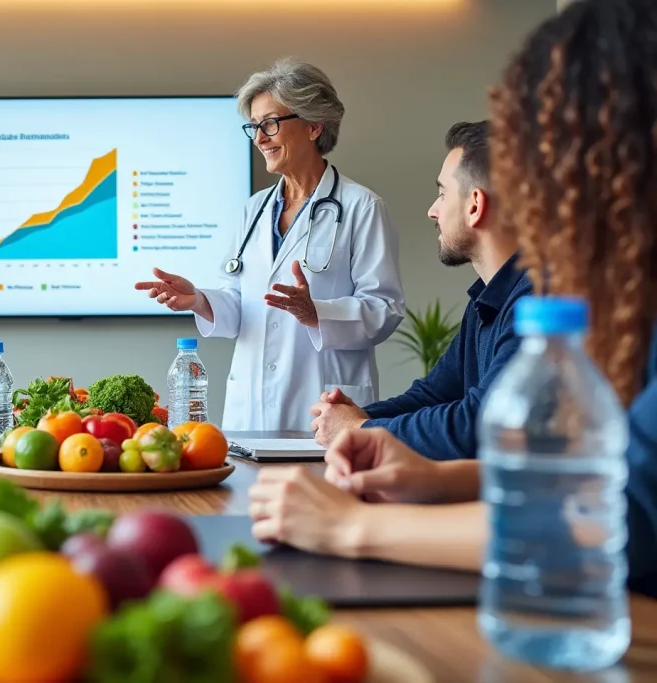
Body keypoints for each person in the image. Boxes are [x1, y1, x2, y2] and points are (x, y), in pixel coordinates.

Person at [248, 0, 657, 598]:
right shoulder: (510, 298)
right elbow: (586, 475)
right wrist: (428, 478)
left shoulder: (544, 298)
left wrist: (356, 527)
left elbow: (615, 514)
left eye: (561, 151)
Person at [135, 58, 405, 431]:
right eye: (254, 127)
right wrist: (199, 299)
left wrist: (318, 313)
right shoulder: (255, 209)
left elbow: (385, 309)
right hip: (251, 409)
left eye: (270, 124)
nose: (260, 138)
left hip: (325, 405)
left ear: (314, 126)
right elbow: (239, 301)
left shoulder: (362, 207)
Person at [309, 121, 530, 460]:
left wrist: (359, 430)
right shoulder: (489, 300)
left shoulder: (535, 302)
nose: (432, 210)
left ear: (474, 205)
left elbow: (482, 424)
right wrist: (364, 416)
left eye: (442, 194)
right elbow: (434, 394)